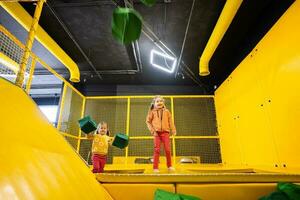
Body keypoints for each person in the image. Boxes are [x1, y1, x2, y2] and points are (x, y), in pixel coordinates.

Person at [146, 95, 176, 173]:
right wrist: (153, 131)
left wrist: (173, 130)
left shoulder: (167, 111)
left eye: (161, 101)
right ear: (154, 103)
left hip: (165, 132)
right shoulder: (152, 112)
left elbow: (171, 121)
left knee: (168, 150)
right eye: (157, 101)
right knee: (157, 150)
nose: (159, 102)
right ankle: (155, 167)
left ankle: (169, 166)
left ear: (163, 103)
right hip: (156, 133)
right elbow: (148, 122)